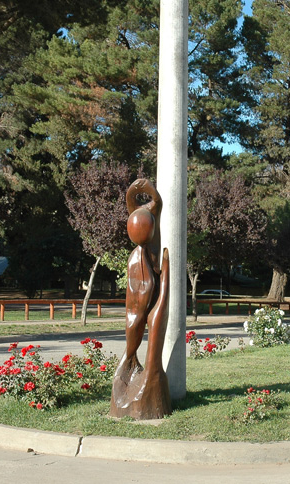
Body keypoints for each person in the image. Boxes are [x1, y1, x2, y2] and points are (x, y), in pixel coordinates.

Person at [110, 178, 171, 419]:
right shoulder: (141, 257)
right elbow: (142, 293)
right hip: (140, 309)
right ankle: (130, 361)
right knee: (137, 327)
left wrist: (137, 192)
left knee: (141, 326)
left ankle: (134, 363)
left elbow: (154, 205)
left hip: (142, 309)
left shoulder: (145, 251)